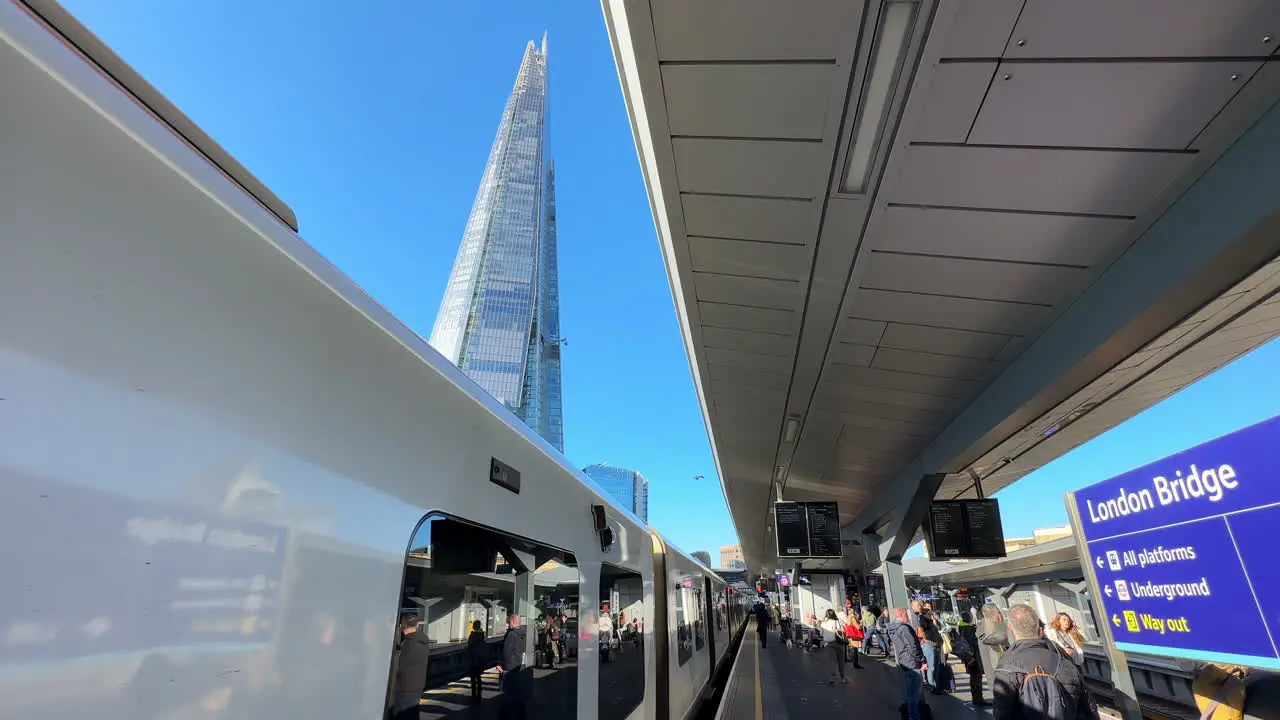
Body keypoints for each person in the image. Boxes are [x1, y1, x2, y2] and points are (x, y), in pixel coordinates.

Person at [993, 604, 1096, 720]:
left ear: (1010, 628)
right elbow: (1087, 704)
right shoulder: (1062, 658)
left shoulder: (1007, 665)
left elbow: (1002, 712)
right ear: (1039, 629)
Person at [888, 607, 926, 720]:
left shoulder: (893, 628)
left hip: (904, 661)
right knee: (914, 693)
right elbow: (912, 646)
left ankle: (912, 715)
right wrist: (921, 660)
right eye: (906, 613)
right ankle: (914, 717)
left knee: (910, 692)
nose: (908, 616)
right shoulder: (903, 628)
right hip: (912, 662)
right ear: (901, 614)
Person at [392, 613, 430, 720]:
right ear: (417, 626)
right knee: (412, 714)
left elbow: (398, 668)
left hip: (404, 688)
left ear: (401, 626)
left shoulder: (408, 645)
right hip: (417, 686)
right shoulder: (422, 641)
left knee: (403, 715)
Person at [953, 610, 989, 707]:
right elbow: (973, 643)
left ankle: (975, 697)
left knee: (973, 678)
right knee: (977, 677)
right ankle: (978, 698)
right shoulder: (968, 629)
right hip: (973, 657)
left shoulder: (961, 628)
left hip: (967, 657)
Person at [978, 603, 1011, 690]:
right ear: (996, 613)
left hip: (992, 676)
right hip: (1004, 675)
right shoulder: (998, 627)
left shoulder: (980, 629)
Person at [918, 606, 945, 693]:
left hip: (936, 645)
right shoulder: (924, 621)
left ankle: (937, 685)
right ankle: (932, 686)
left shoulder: (931, 622)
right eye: (929, 614)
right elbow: (924, 625)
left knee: (936, 666)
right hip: (929, 645)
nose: (931, 615)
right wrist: (923, 616)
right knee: (931, 667)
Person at [820, 609, 849, 683]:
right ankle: (842, 677)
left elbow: (821, 634)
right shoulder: (836, 621)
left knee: (832, 661)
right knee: (840, 661)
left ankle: (831, 678)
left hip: (828, 644)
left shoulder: (823, 623)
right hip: (838, 643)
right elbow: (842, 631)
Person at [466, 620, 488, 701]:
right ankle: (479, 694)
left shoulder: (473, 635)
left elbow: (469, 645)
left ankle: (473, 694)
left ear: (475, 626)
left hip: (473, 660)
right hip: (480, 660)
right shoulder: (482, 635)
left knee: (473, 678)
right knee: (478, 678)